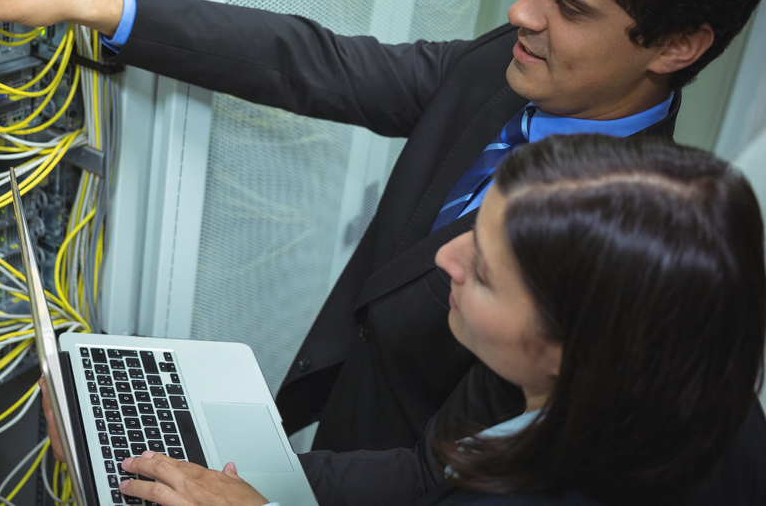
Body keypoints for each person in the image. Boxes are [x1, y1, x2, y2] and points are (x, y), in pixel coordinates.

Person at [0, 0, 766, 495]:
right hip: (342, 423)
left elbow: (447, 474)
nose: (522, 11)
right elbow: (326, 66)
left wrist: (175, 465)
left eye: (570, 3)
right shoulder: (518, 64)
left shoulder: (629, 257)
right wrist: (92, 3)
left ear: (677, 45)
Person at [101, 134, 766, 506]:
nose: (445, 256)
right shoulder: (706, 391)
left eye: (484, 271)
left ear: (577, 348)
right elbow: (433, 471)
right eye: (474, 230)